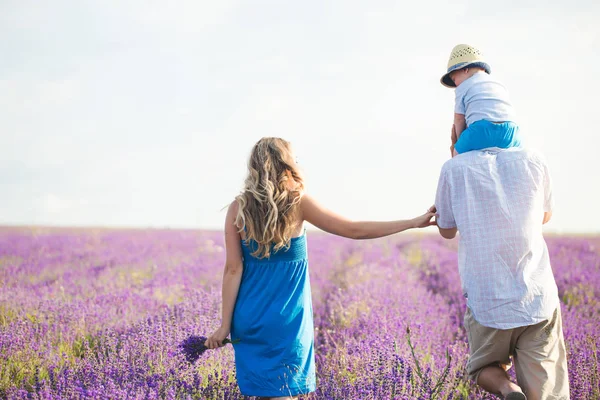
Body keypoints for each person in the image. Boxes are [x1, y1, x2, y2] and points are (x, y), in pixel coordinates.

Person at [206, 137, 436, 399]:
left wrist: (225, 325)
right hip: (286, 321)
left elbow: (232, 270)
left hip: (249, 319)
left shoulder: (238, 207)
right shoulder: (297, 202)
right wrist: (412, 222)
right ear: (287, 164)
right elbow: (354, 230)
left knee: (264, 393)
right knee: (283, 392)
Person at [432, 127, 569, 400]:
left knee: (484, 366)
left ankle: (509, 390)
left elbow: (446, 229)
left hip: (488, 299)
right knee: (546, 388)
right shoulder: (534, 159)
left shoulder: (454, 168)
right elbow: (545, 215)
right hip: (536, 298)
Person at [441, 44, 521, 156]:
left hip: (481, 130)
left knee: (457, 156)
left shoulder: (463, 86)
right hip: (511, 130)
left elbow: (459, 119)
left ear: (465, 69)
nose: (455, 84)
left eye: (454, 79)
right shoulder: (498, 84)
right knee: (518, 155)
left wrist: (460, 142)